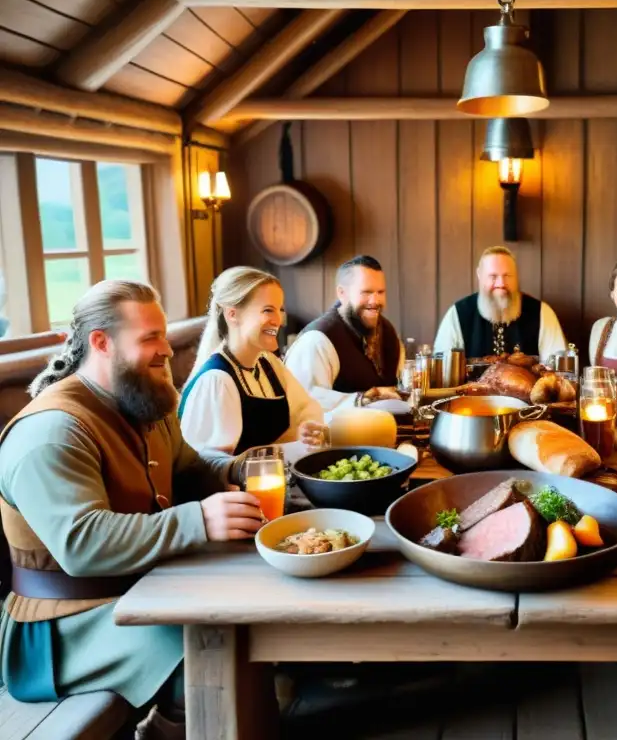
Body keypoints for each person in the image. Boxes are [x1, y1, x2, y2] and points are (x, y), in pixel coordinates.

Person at [0, 280, 265, 739]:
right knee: (203, 646)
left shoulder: (143, 405)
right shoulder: (52, 432)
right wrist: (200, 520)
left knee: (245, 618)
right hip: (61, 626)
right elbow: (82, 545)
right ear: (101, 342)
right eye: (149, 338)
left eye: (163, 335)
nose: (166, 349)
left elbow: (191, 466)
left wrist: (241, 470)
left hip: (141, 588)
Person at [178, 267, 323, 456]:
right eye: (268, 310)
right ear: (232, 314)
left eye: (280, 310)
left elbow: (305, 409)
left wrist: (307, 428)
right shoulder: (217, 380)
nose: (278, 320)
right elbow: (214, 465)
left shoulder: (268, 365)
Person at [284, 256, 404, 415]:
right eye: (366, 292)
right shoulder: (316, 340)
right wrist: (363, 399)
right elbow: (303, 402)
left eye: (380, 292)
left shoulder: (388, 331)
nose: (375, 300)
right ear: (342, 293)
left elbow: (401, 385)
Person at [433, 246, 567, 362]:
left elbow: (558, 371)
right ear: (479, 275)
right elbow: (444, 372)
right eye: (493, 276)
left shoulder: (541, 313)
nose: (501, 284)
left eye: (507, 276)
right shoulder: (458, 314)